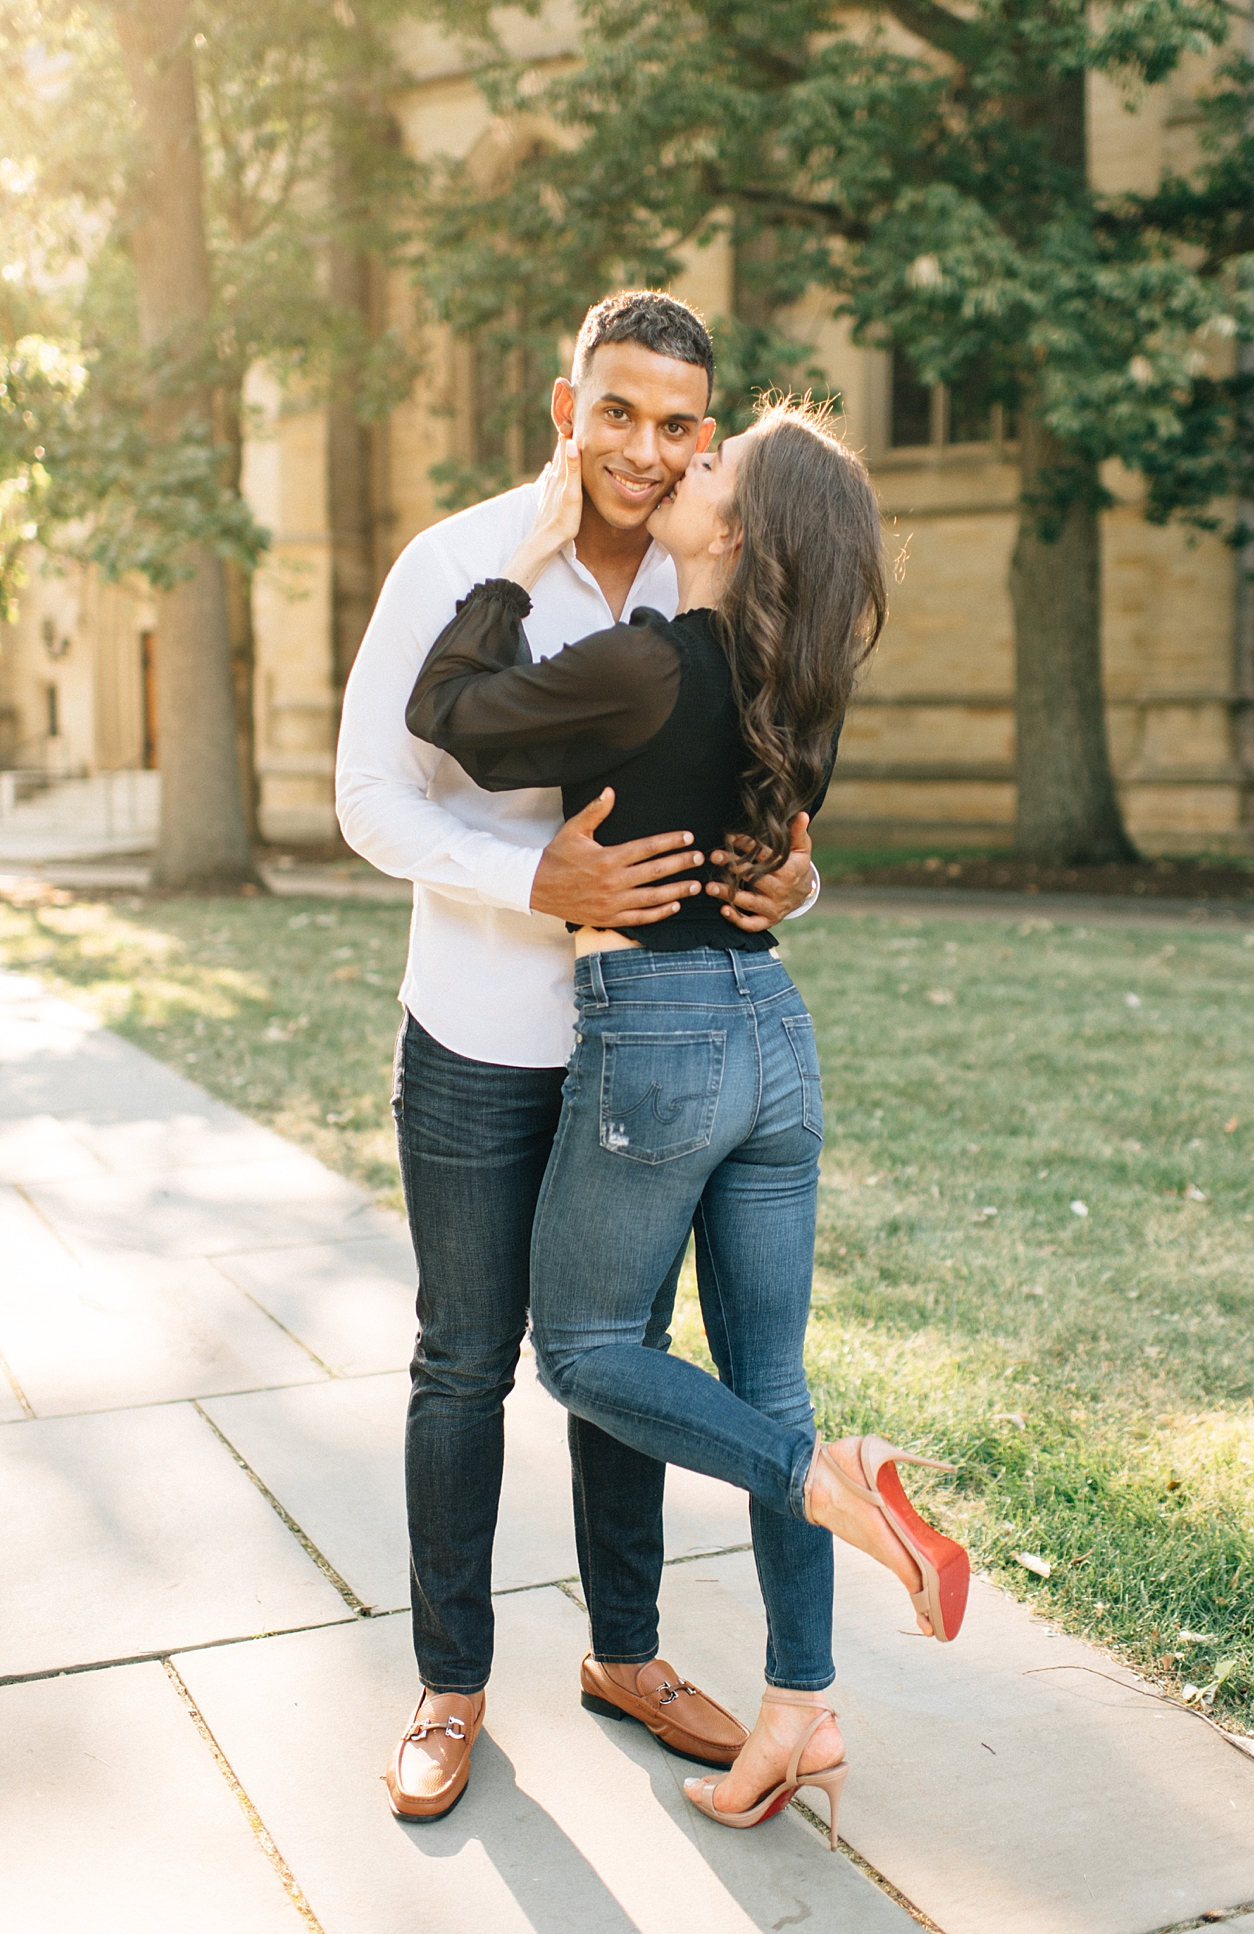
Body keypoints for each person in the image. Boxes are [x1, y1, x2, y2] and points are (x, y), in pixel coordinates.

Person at [405, 397, 971, 1848]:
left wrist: (510, 563)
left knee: (588, 1348)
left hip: (658, 1037)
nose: (680, 465)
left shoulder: (653, 661)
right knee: (768, 1374)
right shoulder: (803, 688)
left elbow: (450, 715)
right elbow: (782, 860)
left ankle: (827, 1486)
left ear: (734, 531)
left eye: (709, 462)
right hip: (776, 1036)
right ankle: (796, 1706)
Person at [335, 291, 821, 1823]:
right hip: (484, 1037)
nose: (647, 446)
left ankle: (627, 1650)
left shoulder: (717, 584)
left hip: (648, 1051)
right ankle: (451, 1683)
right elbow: (367, 794)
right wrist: (525, 878)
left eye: (681, 422)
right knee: (466, 1361)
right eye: (618, 411)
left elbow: (779, 801)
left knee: (620, 1366)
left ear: (705, 435)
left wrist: (796, 882)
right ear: (568, 407)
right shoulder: (458, 562)